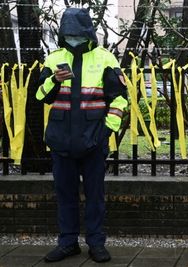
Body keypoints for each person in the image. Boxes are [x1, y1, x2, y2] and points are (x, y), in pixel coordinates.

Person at [36, 8, 127, 263]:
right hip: (61, 141)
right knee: (65, 195)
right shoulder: (54, 59)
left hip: (93, 141)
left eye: (77, 33)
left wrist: (107, 130)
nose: (73, 38)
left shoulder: (106, 59)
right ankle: (68, 243)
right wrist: (54, 80)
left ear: (87, 33)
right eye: (69, 34)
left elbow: (120, 98)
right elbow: (41, 96)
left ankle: (96, 243)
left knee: (95, 196)